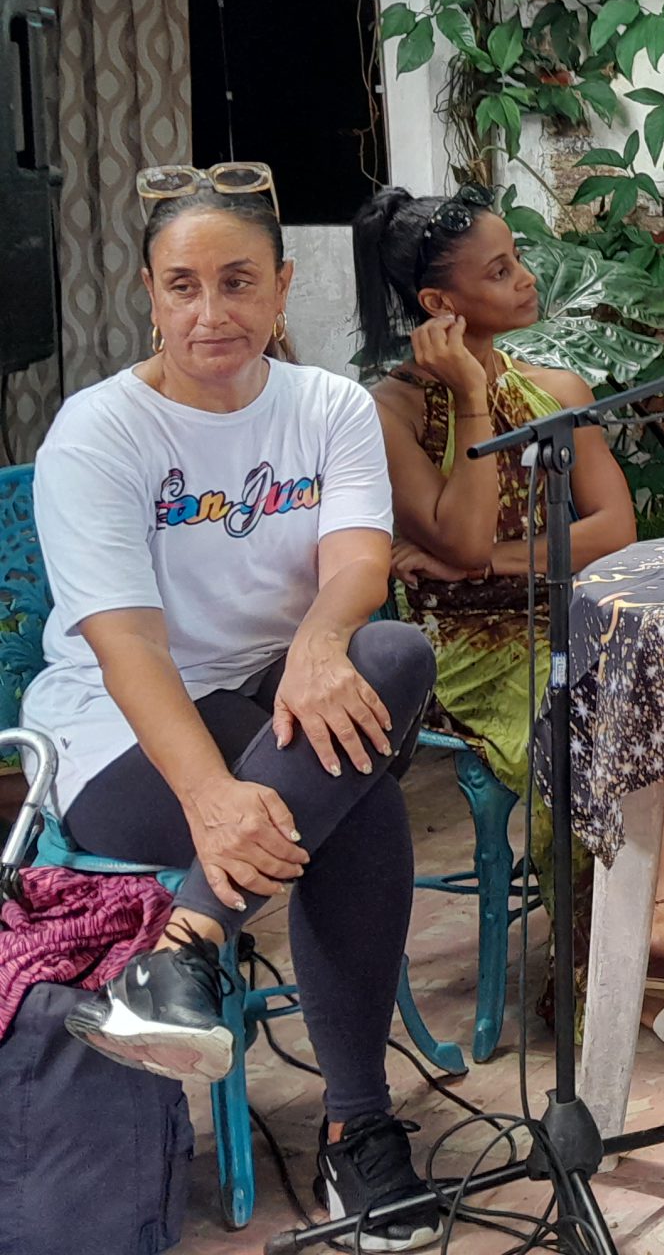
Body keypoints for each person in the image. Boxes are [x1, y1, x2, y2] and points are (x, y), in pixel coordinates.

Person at [26, 166, 444, 1245]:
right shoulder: (98, 432)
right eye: (183, 286)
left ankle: (187, 948)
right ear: (152, 297)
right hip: (121, 730)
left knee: (388, 654)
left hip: (274, 698)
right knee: (355, 793)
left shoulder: (328, 405)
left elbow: (357, 562)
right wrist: (213, 798)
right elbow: (126, 647)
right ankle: (360, 1134)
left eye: (237, 283)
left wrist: (317, 642)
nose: (211, 313)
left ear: (281, 289)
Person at [354, 186, 664, 1056]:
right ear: (439, 305)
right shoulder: (387, 413)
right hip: (463, 650)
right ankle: (606, 973)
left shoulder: (556, 389)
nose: (525, 278)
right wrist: (471, 394)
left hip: (566, 615)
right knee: (580, 729)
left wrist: (486, 561)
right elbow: (466, 533)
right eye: (498, 269)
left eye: (517, 258)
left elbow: (611, 528)